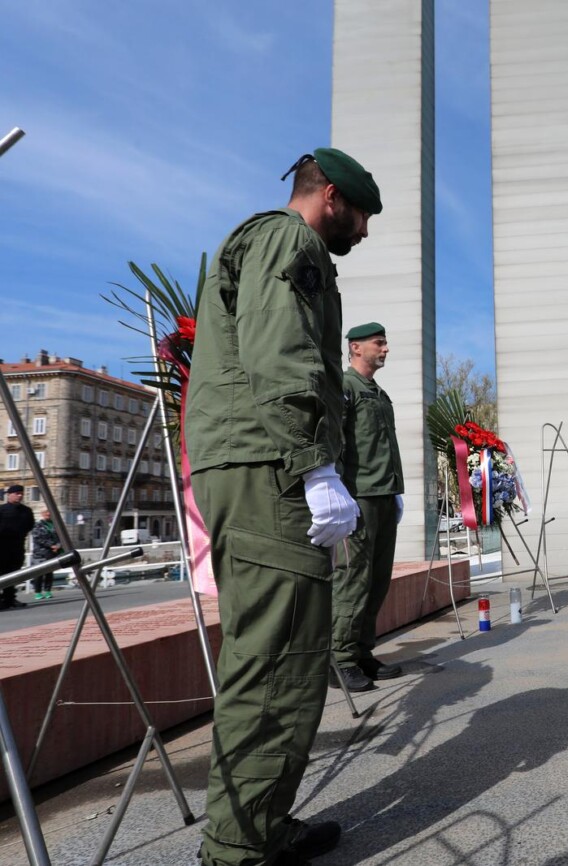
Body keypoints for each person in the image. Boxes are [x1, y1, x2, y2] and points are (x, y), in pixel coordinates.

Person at [186, 147, 382, 866]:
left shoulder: (268, 241)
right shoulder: (288, 239)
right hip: (269, 463)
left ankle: (255, 827)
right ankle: (241, 848)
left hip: (252, 460)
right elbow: (283, 352)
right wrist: (315, 464)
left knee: (269, 650)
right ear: (330, 197)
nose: (364, 231)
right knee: (277, 658)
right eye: (361, 215)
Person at [329, 322, 406, 693]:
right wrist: (336, 491)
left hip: (383, 495)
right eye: (379, 342)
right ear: (356, 347)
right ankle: (339, 660)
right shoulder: (345, 387)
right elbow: (335, 441)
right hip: (358, 497)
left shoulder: (378, 393)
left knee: (376, 580)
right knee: (353, 578)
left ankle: (361, 653)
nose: (385, 348)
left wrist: (394, 492)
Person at [0, 485, 34, 610]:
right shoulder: (2, 510)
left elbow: (30, 525)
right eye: (17, 493)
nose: (20, 496)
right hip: (2, 546)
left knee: (14, 572)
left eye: (21, 493)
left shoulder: (26, 511)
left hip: (18, 545)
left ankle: (9, 598)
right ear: (9, 495)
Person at [30, 508, 60, 600]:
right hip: (40, 553)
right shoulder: (37, 525)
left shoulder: (55, 524)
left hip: (51, 553)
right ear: (42, 514)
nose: (48, 514)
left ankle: (48, 590)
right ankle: (38, 592)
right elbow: (38, 538)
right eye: (46, 512)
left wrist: (58, 545)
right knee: (39, 573)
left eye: (49, 512)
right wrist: (51, 545)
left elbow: (59, 536)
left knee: (49, 572)